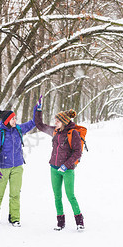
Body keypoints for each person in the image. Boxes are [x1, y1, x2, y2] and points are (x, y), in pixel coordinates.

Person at [34, 97, 85, 231]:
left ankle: (79, 221)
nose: (55, 123)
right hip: (54, 169)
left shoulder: (72, 133)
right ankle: (60, 222)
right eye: (55, 121)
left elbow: (77, 153)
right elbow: (40, 125)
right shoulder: (55, 131)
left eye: (57, 121)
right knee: (57, 196)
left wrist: (66, 165)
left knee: (70, 195)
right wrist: (38, 110)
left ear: (63, 122)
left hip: (67, 170)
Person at [0, 109, 35, 227]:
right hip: (3, 167)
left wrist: (37, 110)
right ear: (7, 121)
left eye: (15, 118)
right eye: (13, 119)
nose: (15, 120)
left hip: (17, 167)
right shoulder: (0, 133)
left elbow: (33, 123)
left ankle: (15, 218)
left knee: (15, 194)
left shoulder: (18, 129)